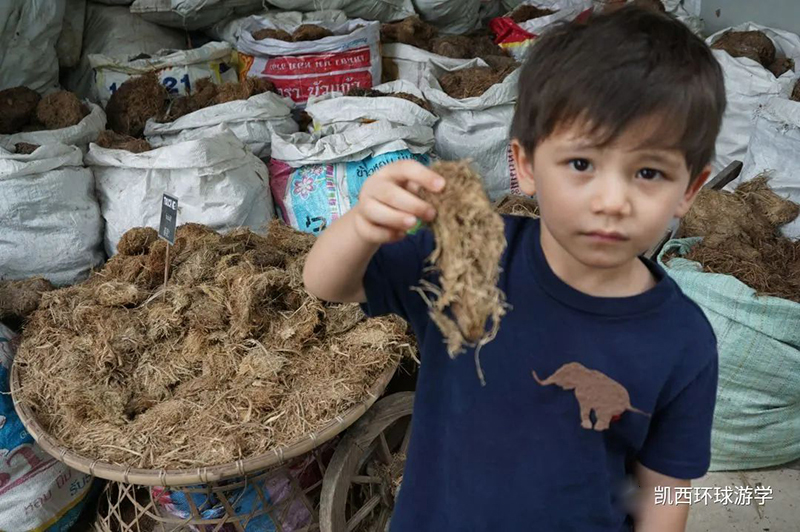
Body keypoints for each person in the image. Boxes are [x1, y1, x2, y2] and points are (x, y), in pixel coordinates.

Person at [303, 5, 726, 531]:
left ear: (689, 189)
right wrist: (362, 226)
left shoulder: (683, 341)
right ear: (525, 165)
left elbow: (663, 488)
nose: (612, 201)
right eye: (581, 164)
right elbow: (326, 284)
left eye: (648, 172)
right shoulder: (468, 258)